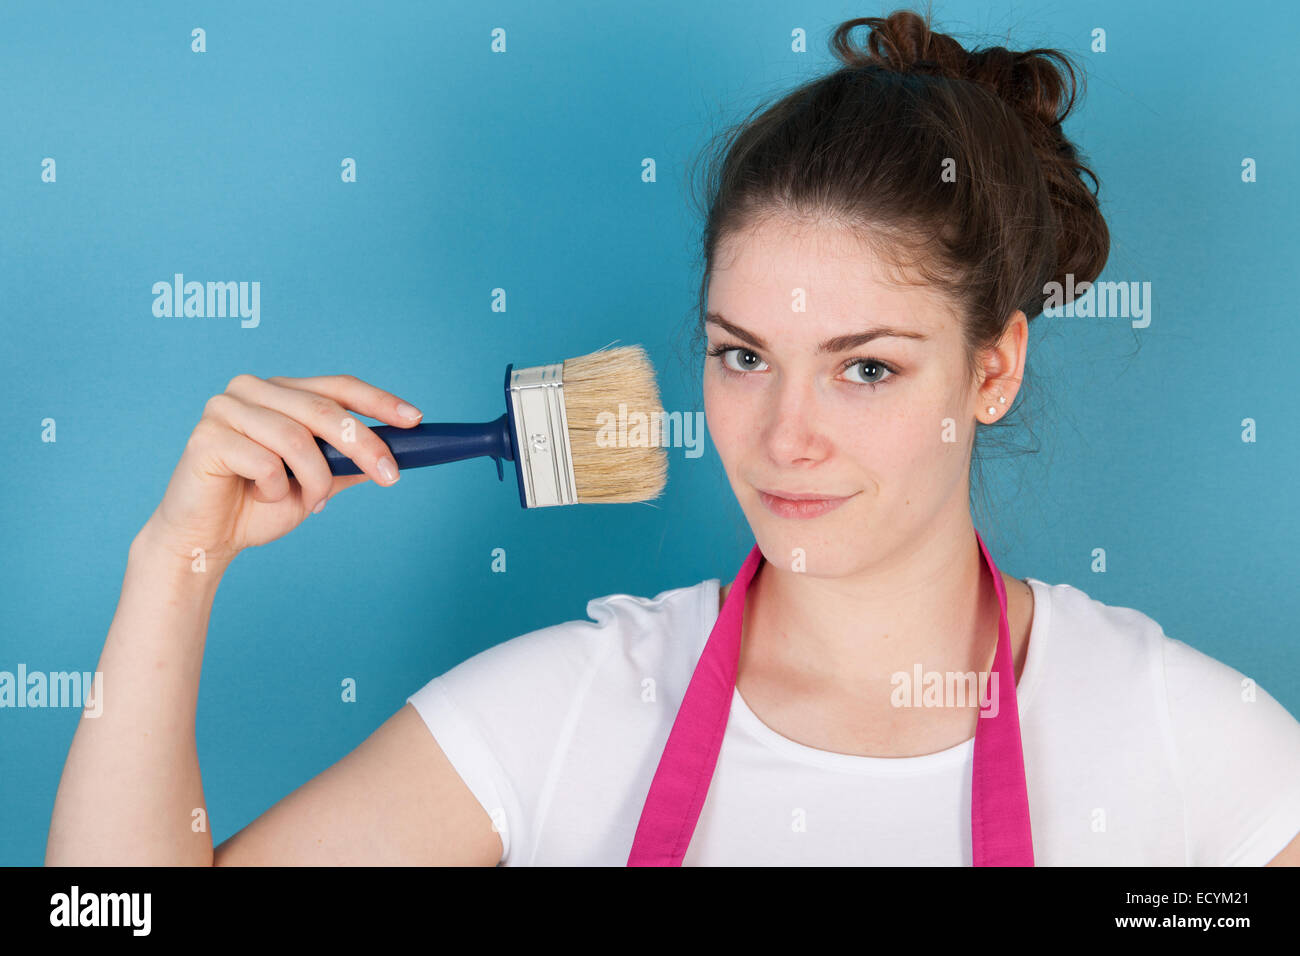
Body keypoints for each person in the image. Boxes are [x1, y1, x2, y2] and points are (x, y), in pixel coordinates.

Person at [46, 9, 1300, 866]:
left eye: (864, 366)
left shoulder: (1191, 742)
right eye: (742, 355)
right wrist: (175, 563)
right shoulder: (572, 704)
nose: (783, 435)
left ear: (993, 368)